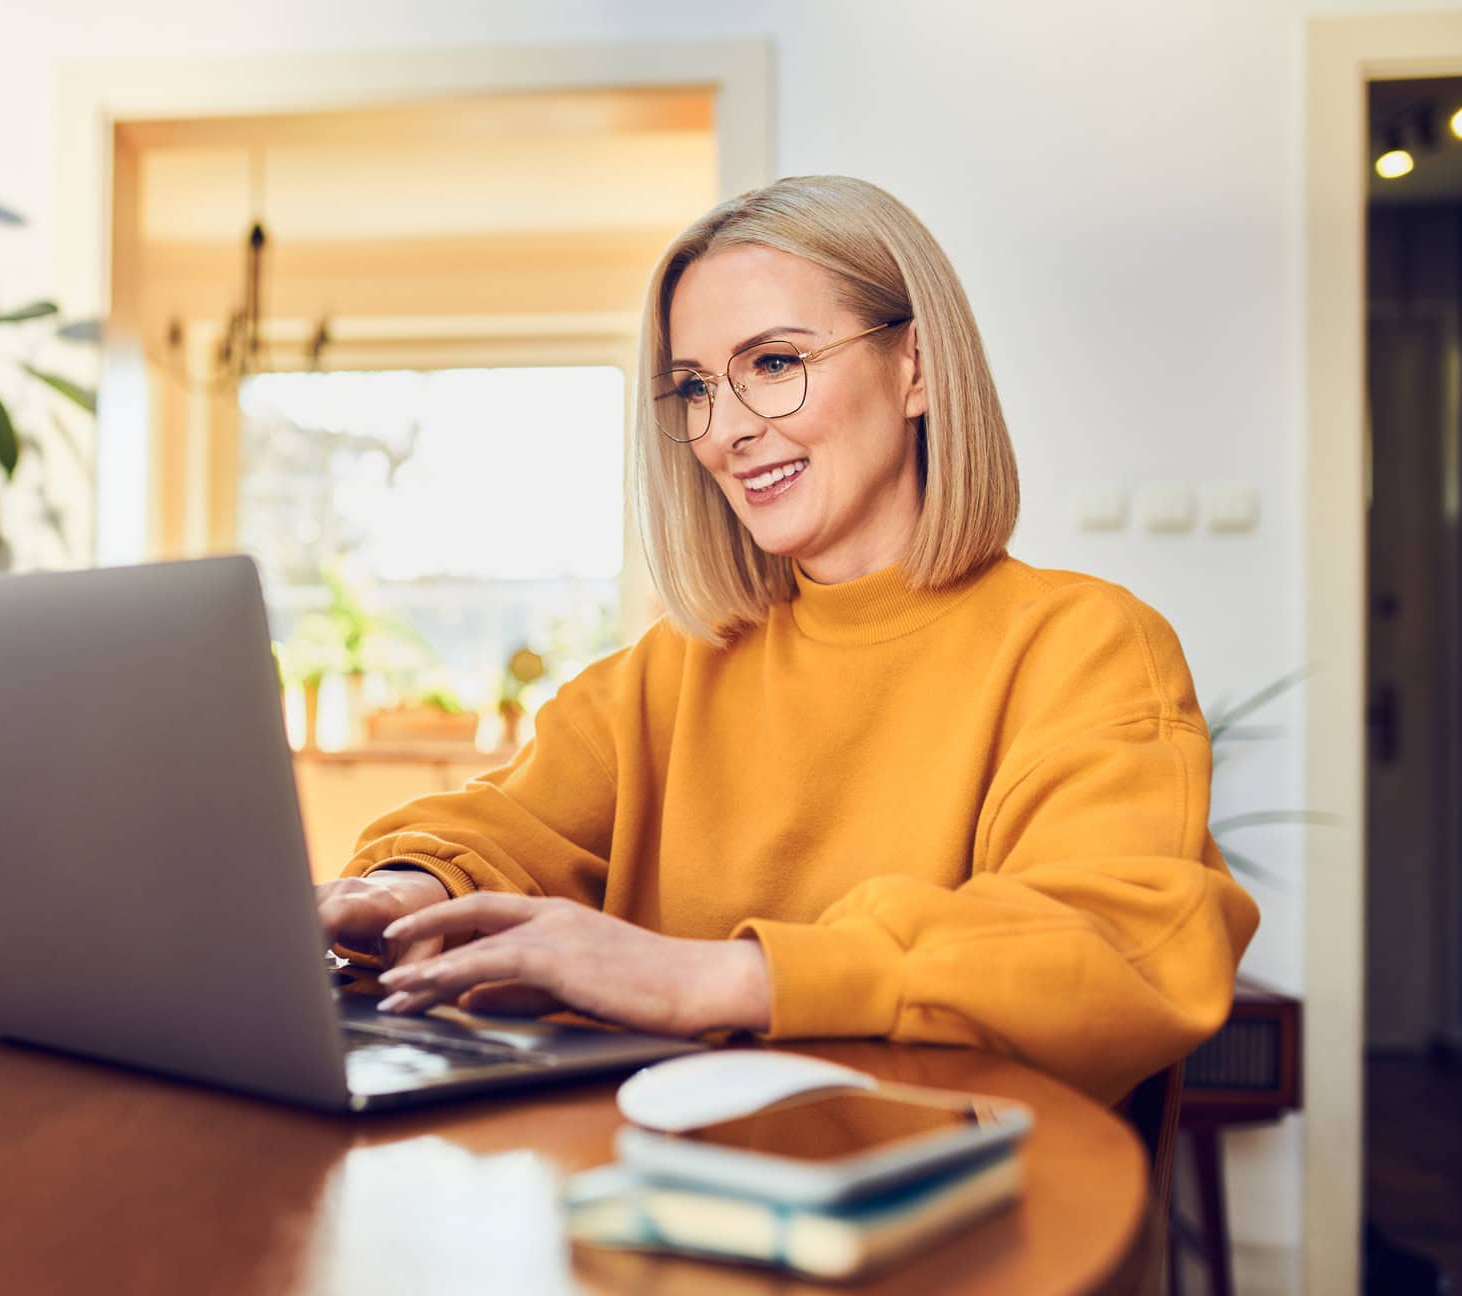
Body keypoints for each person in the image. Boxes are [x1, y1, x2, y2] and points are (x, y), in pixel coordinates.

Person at [312, 175, 1258, 1106]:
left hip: (952, 1219)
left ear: (915, 367)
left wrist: (714, 980)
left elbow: (1116, 945)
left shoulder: (1083, 646)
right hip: (661, 1204)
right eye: (695, 387)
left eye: (772, 363)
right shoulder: (676, 668)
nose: (725, 432)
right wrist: (408, 886)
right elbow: (496, 827)